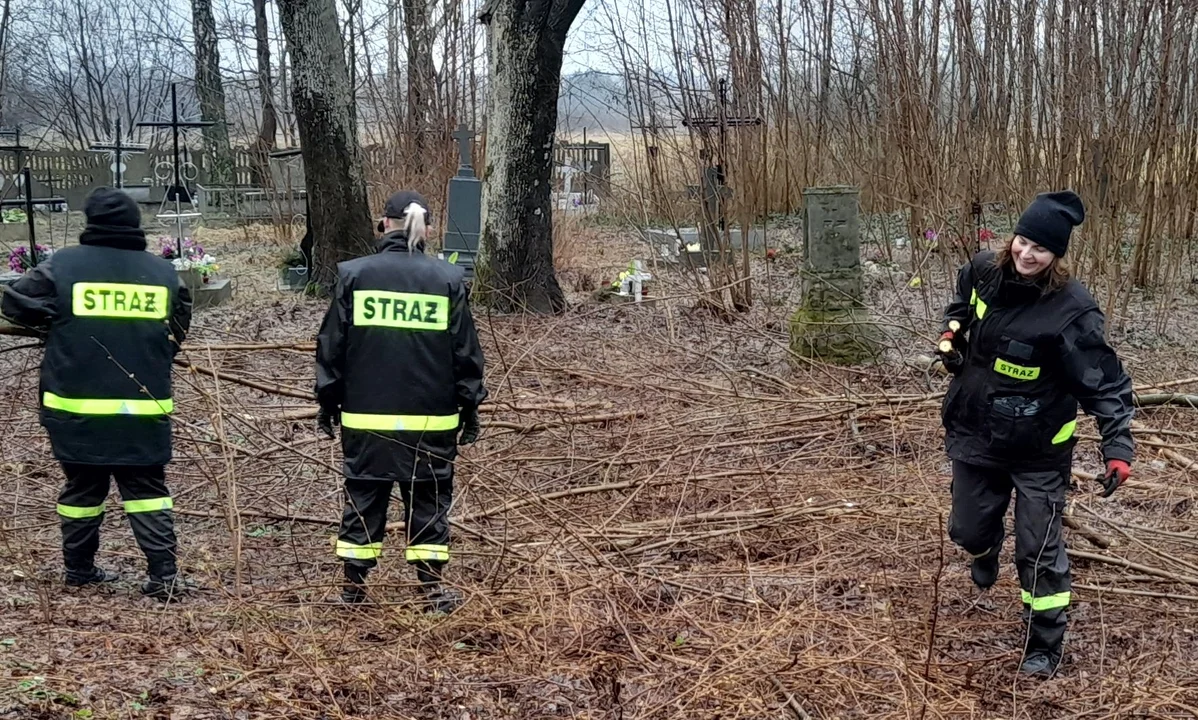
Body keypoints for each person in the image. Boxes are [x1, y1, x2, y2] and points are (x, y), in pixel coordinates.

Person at [936, 190, 1135, 677]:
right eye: (1023, 241)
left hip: (1039, 449)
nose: (1027, 254)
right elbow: (962, 306)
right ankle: (985, 550)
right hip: (976, 432)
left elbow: (1105, 383)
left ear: (1057, 256)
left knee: (1038, 548)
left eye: (1041, 249)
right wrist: (951, 334)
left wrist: (1117, 447)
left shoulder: (1072, 312)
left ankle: (1043, 643)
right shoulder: (984, 270)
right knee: (966, 529)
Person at [1, 187, 192, 601]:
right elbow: (177, 331)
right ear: (135, 223)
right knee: (147, 490)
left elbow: (13, 303)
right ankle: (164, 577)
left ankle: (79, 569)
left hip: (74, 407)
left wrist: (54, 323)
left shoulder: (63, 266)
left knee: (82, 488)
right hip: (143, 408)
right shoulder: (163, 273)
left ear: (91, 222)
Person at [315, 189, 487, 613]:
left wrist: (327, 402)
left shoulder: (354, 276)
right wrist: (471, 406)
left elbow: (332, 346)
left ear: (384, 224)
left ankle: (353, 590)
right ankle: (431, 590)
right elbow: (465, 352)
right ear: (427, 230)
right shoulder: (447, 279)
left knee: (363, 496)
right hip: (431, 420)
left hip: (365, 418)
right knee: (428, 498)